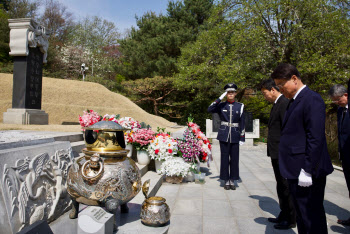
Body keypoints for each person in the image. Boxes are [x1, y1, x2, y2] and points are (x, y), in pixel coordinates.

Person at [271, 63, 334, 234]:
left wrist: (307, 170)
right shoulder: (295, 100)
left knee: (311, 217)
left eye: (281, 84)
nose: (280, 88)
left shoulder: (311, 99)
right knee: (302, 216)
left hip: (307, 170)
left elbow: (315, 138)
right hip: (295, 169)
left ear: (294, 79)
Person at [260, 79, 296, 230]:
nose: (265, 97)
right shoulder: (277, 104)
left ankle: (290, 218)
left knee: (286, 185)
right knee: (280, 185)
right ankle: (284, 212)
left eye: (265, 93)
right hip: (276, 152)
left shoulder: (284, 103)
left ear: (273, 90)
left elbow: (288, 130)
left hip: (283, 152)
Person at [208, 83, 245, 190]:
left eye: (232, 92)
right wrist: (220, 98)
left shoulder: (240, 106)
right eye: (228, 92)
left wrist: (242, 137)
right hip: (224, 135)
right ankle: (225, 179)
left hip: (235, 135)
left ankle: (232, 180)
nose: (230, 94)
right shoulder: (221, 105)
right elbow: (210, 109)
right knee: (224, 158)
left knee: (234, 158)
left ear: (235, 93)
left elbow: (242, 122)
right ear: (226, 94)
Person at [329, 84, 350, 225]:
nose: (337, 103)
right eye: (334, 101)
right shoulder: (341, 110)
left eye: (338, 99)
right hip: (345, 155)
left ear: (346, 95)